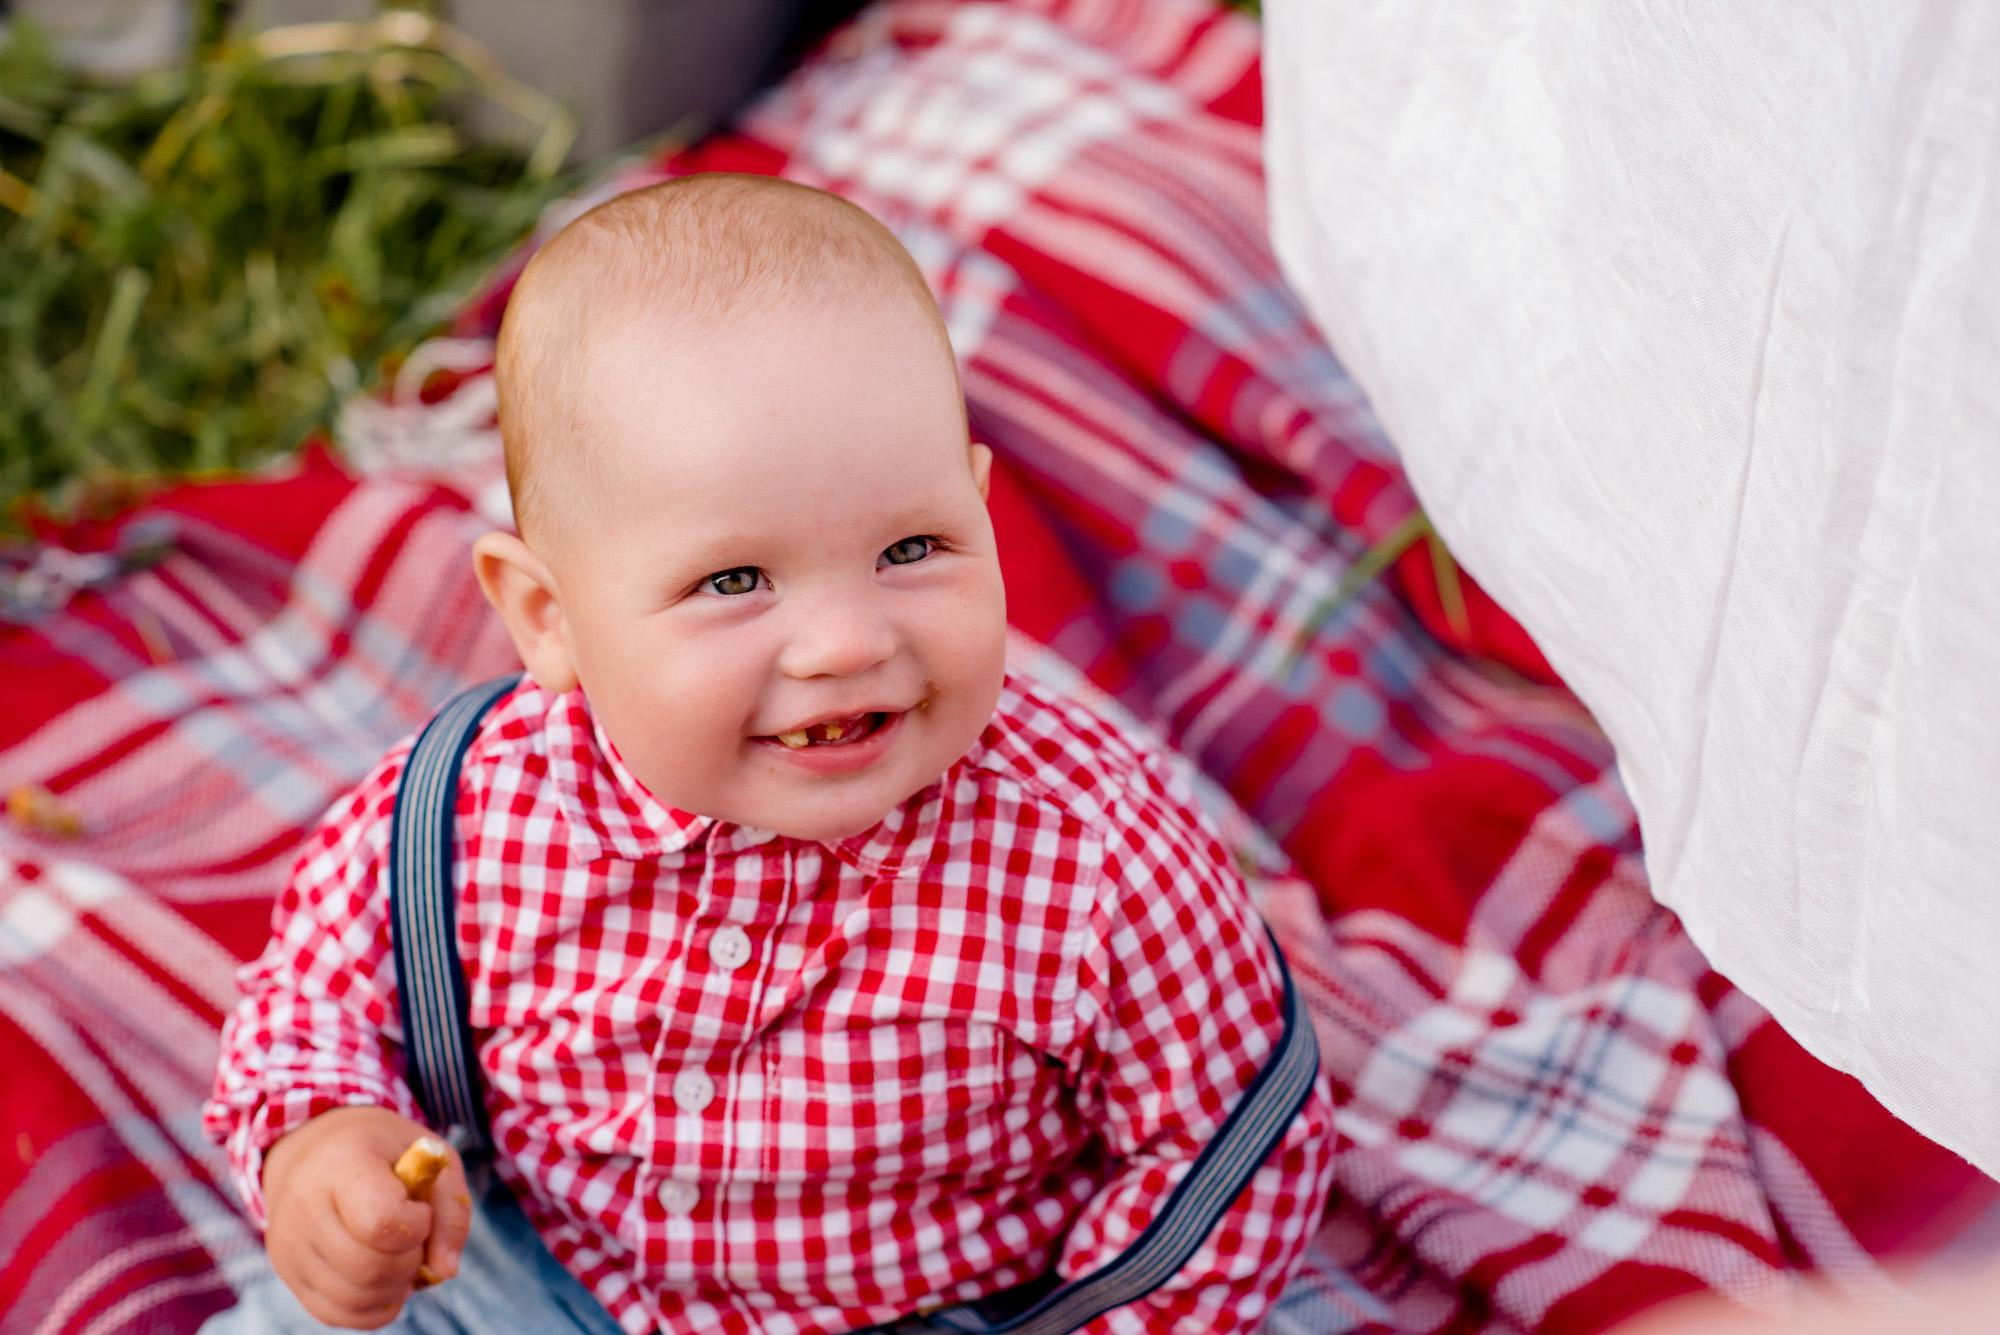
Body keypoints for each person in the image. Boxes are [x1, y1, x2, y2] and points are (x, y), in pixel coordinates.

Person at [202, 173, 1337, 1335]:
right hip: (531, 1269)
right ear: (549, 617)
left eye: (911, 546)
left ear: (981, 511)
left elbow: (1228, 1144)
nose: (848, 641)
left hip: (924, 1309)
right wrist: (322, 1145)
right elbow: (316, 1000)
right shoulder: (456, 817)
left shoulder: (1092, 853)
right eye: (734, 582)